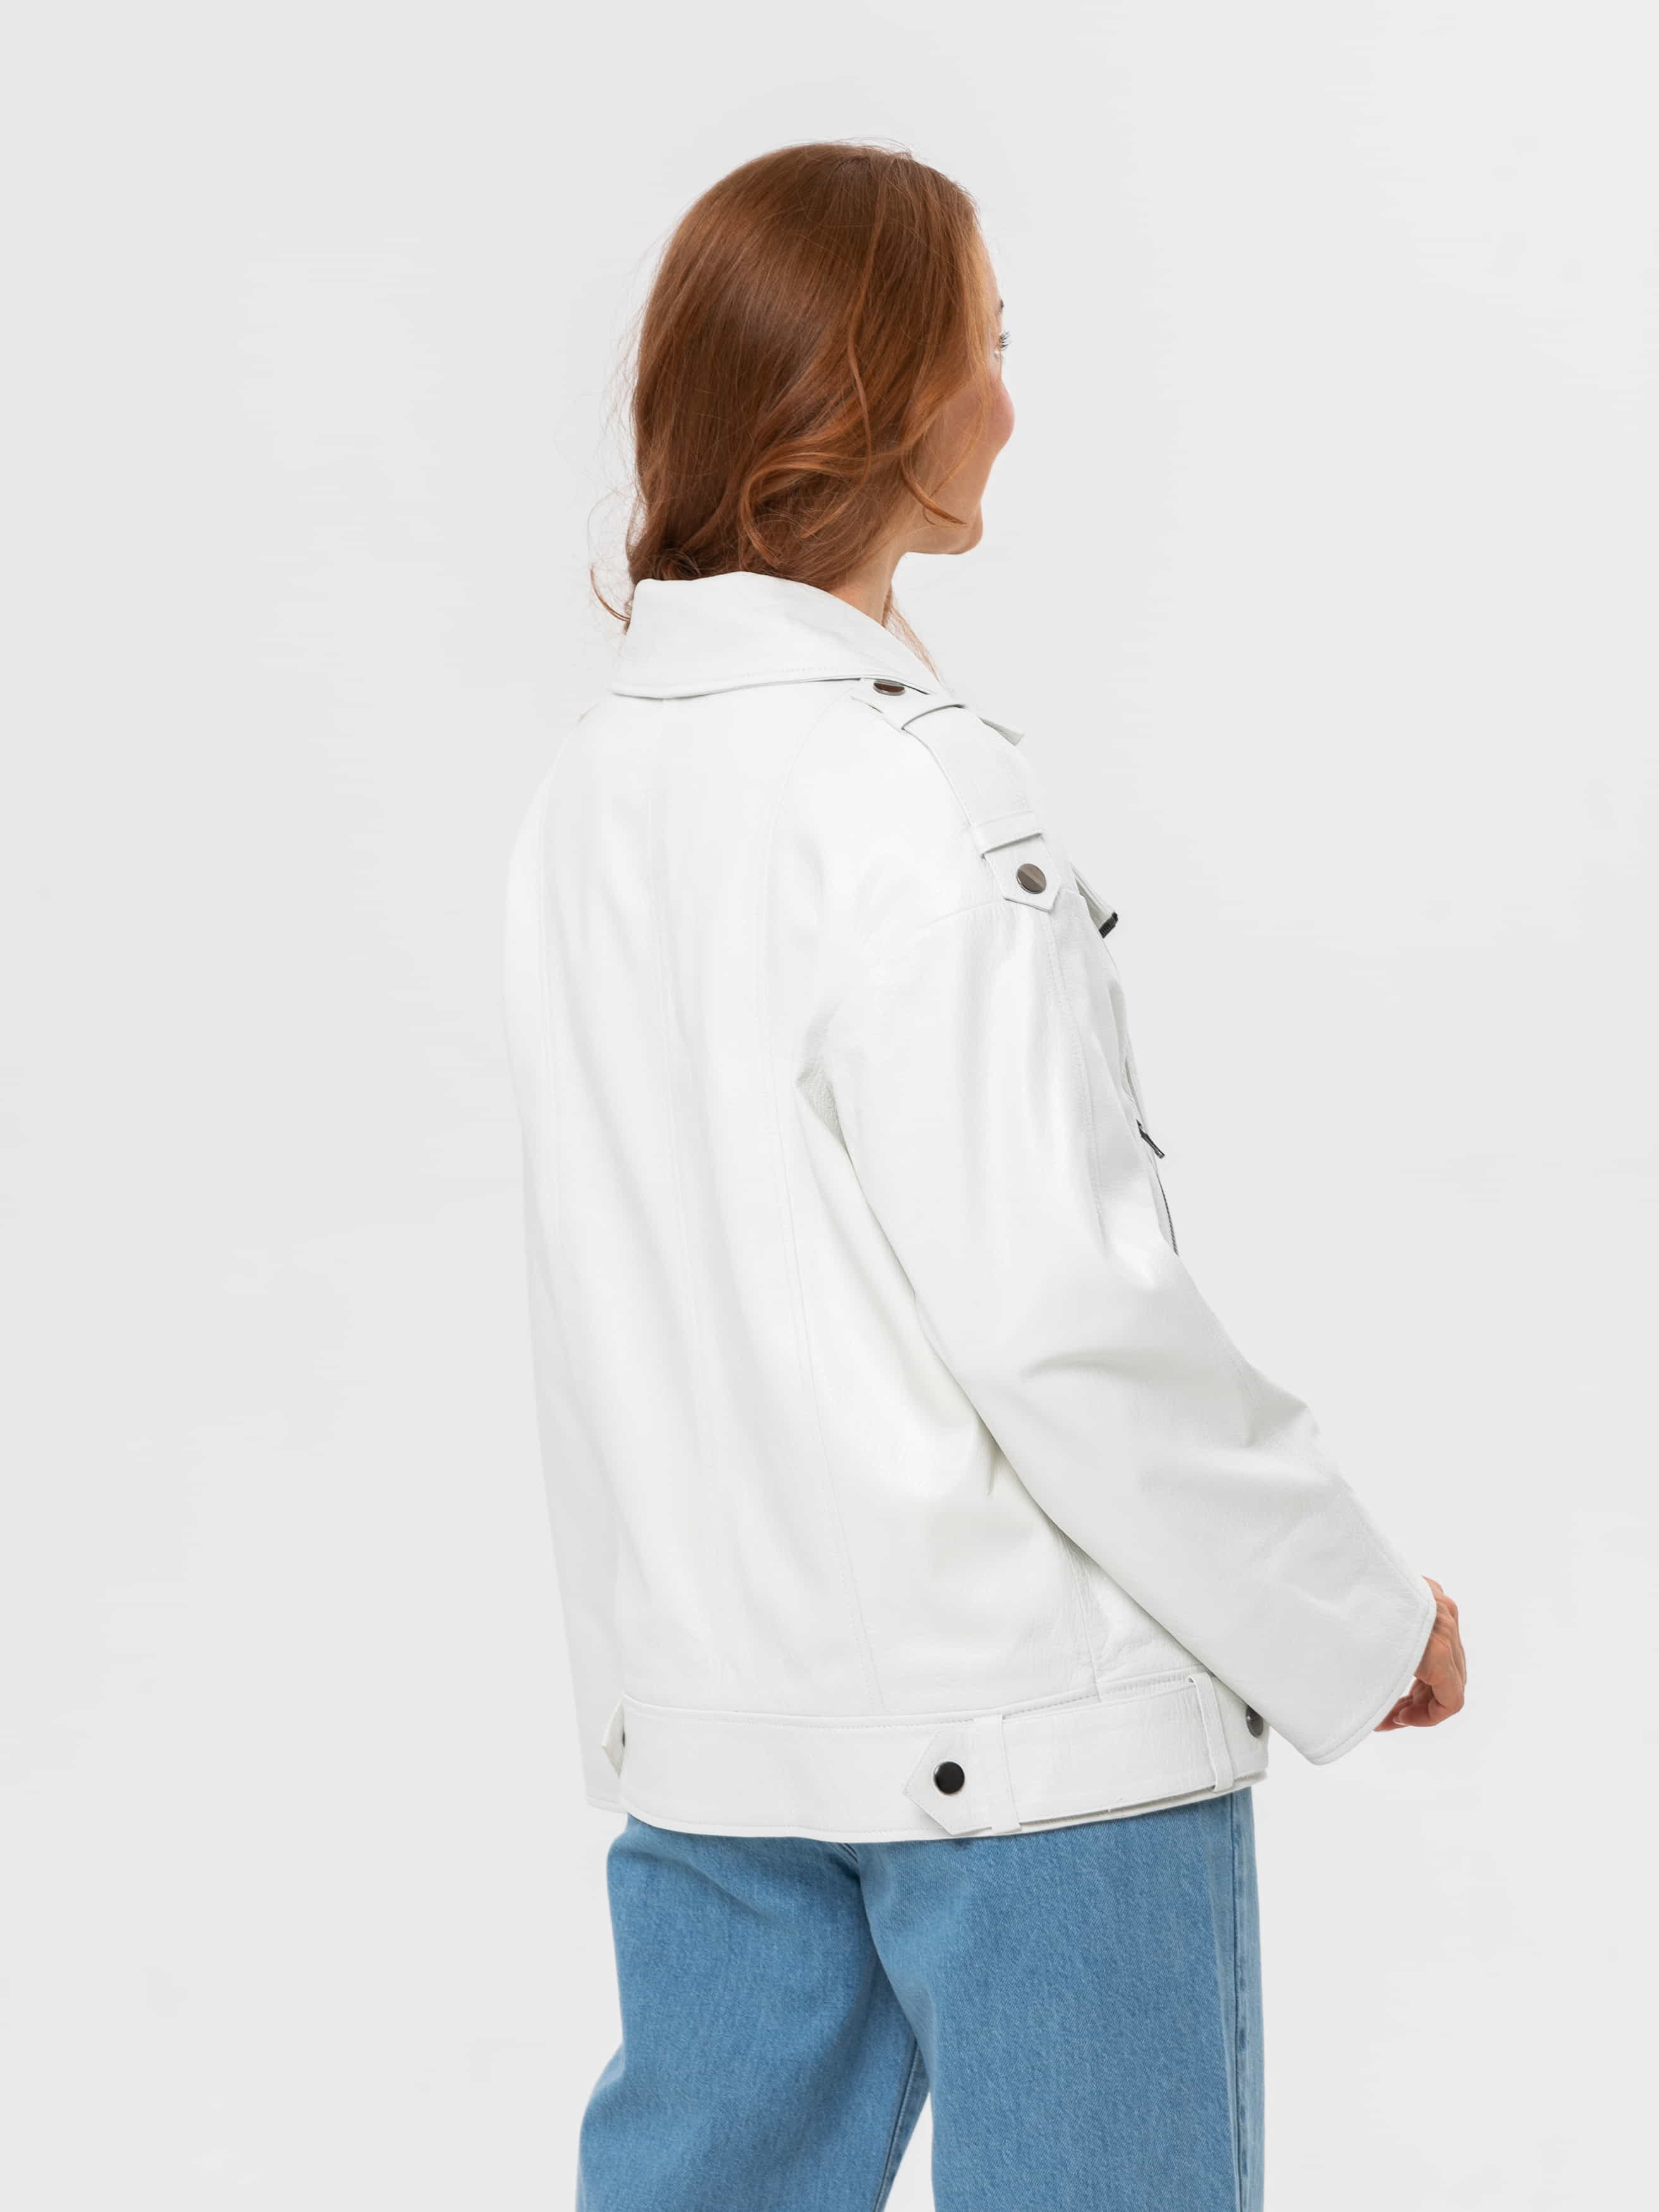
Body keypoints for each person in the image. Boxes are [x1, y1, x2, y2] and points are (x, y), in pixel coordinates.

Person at [502, 139, 1466, 2212]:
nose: (1009, 406)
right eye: (989, 350)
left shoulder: (592, 796)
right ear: (876, 394)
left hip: (723, 1733)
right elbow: (1060, 1310)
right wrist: (1349, 1611)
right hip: (1038, 1754)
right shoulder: (908, 791)